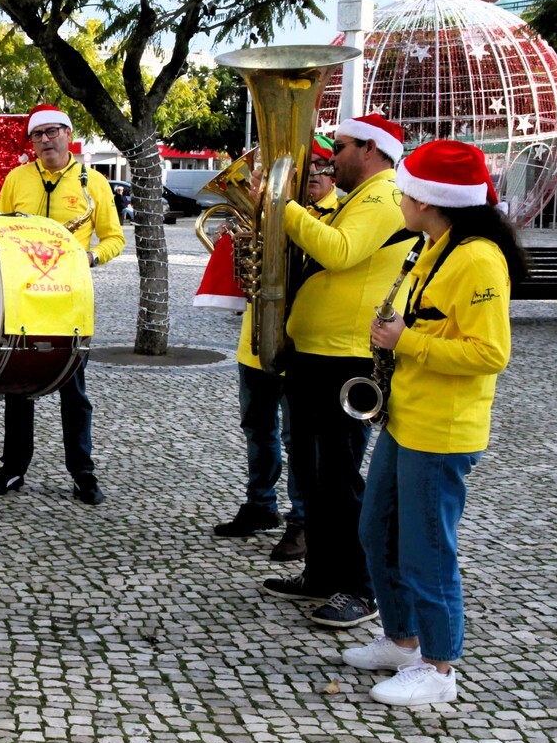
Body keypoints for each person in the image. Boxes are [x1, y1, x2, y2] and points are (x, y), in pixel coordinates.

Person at [342, 139, 521, 707]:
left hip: (441, 430)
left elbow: (491, 353)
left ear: (428, 199)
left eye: (405, 191)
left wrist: (406, 340)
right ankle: (401, 638)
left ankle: (439, 667)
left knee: (426, 550)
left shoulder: (476, 258)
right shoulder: (434, 245)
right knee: (376, 530)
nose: (398, 197)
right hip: (406, 418)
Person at [261, 113, 414, 628]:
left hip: (346, 357)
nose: (331, 157)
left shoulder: (384, 197)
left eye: (341, 147)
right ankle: (322, 573)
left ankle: (363, 588)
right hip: (317, 353)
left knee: (341, 479)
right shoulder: (360, 198)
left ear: (370, 149)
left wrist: (282, 207)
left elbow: (341, 252)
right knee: (312, 474)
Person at [0, 103, 124, 505]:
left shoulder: (93, 182)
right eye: (37, 135)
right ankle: (13, 468)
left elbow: (114, 237)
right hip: (22, 293)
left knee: (73, 390)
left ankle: (83, 473)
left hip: (69, 297)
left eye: (52, 132)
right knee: (17, 383)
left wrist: (90, 257)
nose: (45, 140)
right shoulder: (17, 177)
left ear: (68, 133)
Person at [211, 136, 338, 562]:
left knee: (296, 436)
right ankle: (261, 506)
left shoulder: (341, 216)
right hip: (256, 342)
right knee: (257, 430)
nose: (315, 176)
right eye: (310, 168)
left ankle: (302, 522)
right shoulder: (264, 213)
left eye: (322, 166)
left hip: (304, 346)